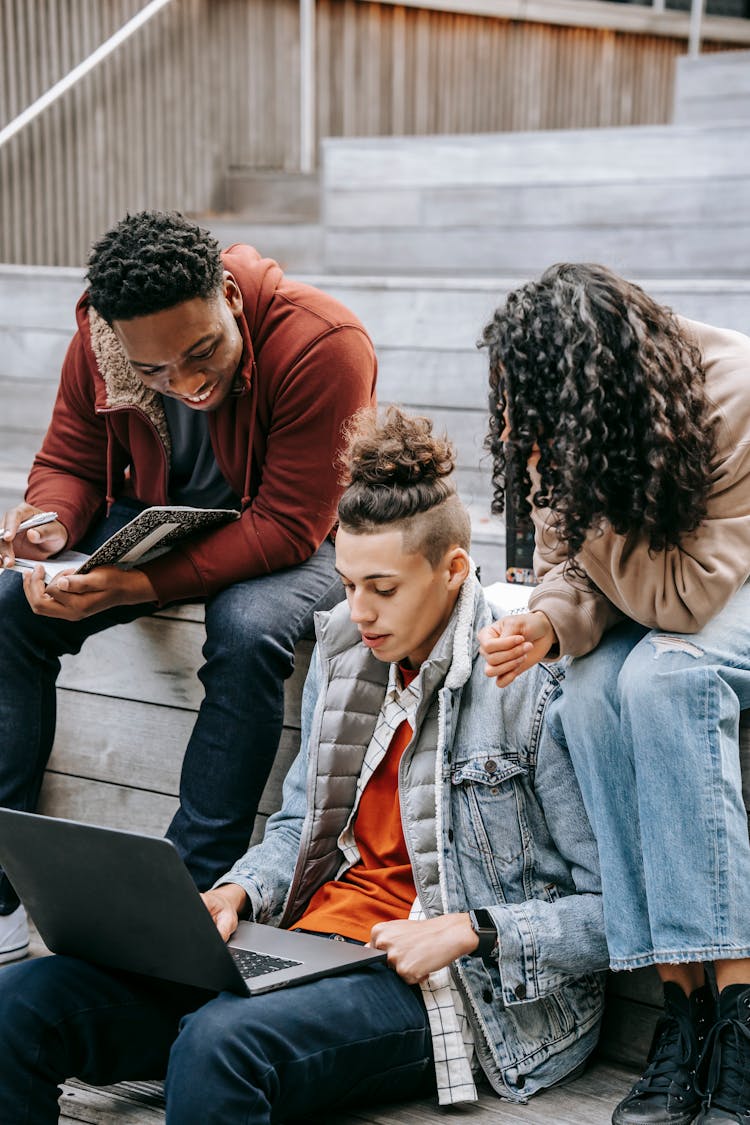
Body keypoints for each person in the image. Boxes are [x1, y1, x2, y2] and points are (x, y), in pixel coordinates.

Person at [0, 407, 608, 1123]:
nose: (361, 611)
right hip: (304, 947)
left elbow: (617, 908)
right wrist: (237, 895)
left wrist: (471, 928)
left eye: (383, 588)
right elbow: (296, 825)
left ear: (453, 570)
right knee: (22, 1004)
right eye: (347, 583)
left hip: (455, 988)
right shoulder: (348, 645)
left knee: (219, 1046)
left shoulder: (532, 682)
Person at [0, 210, 376, 966]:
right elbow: (69, 461)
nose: (189, 382)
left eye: (202, 351)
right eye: (156, 373)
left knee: (246, 626)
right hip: (161, 516)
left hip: (293, 532)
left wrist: (132, 585)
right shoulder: (103, 344)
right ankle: (6, 895)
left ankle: (186, 895)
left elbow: (287, 523)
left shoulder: (323, 342)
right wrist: (48, 526)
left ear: (230, 297)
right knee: (10, 606)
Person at [479, 262, 750, 1125]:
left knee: (667, 678)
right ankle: (683, 1010)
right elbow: (580, 573)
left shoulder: (732, 393)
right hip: (668, 586)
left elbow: (690, 593)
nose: (528, 435)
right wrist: (551, 623)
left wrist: (582, 512)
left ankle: (741, 1015)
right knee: (590, 697)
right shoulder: (573, 432)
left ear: (595, 397)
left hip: (727, 583)